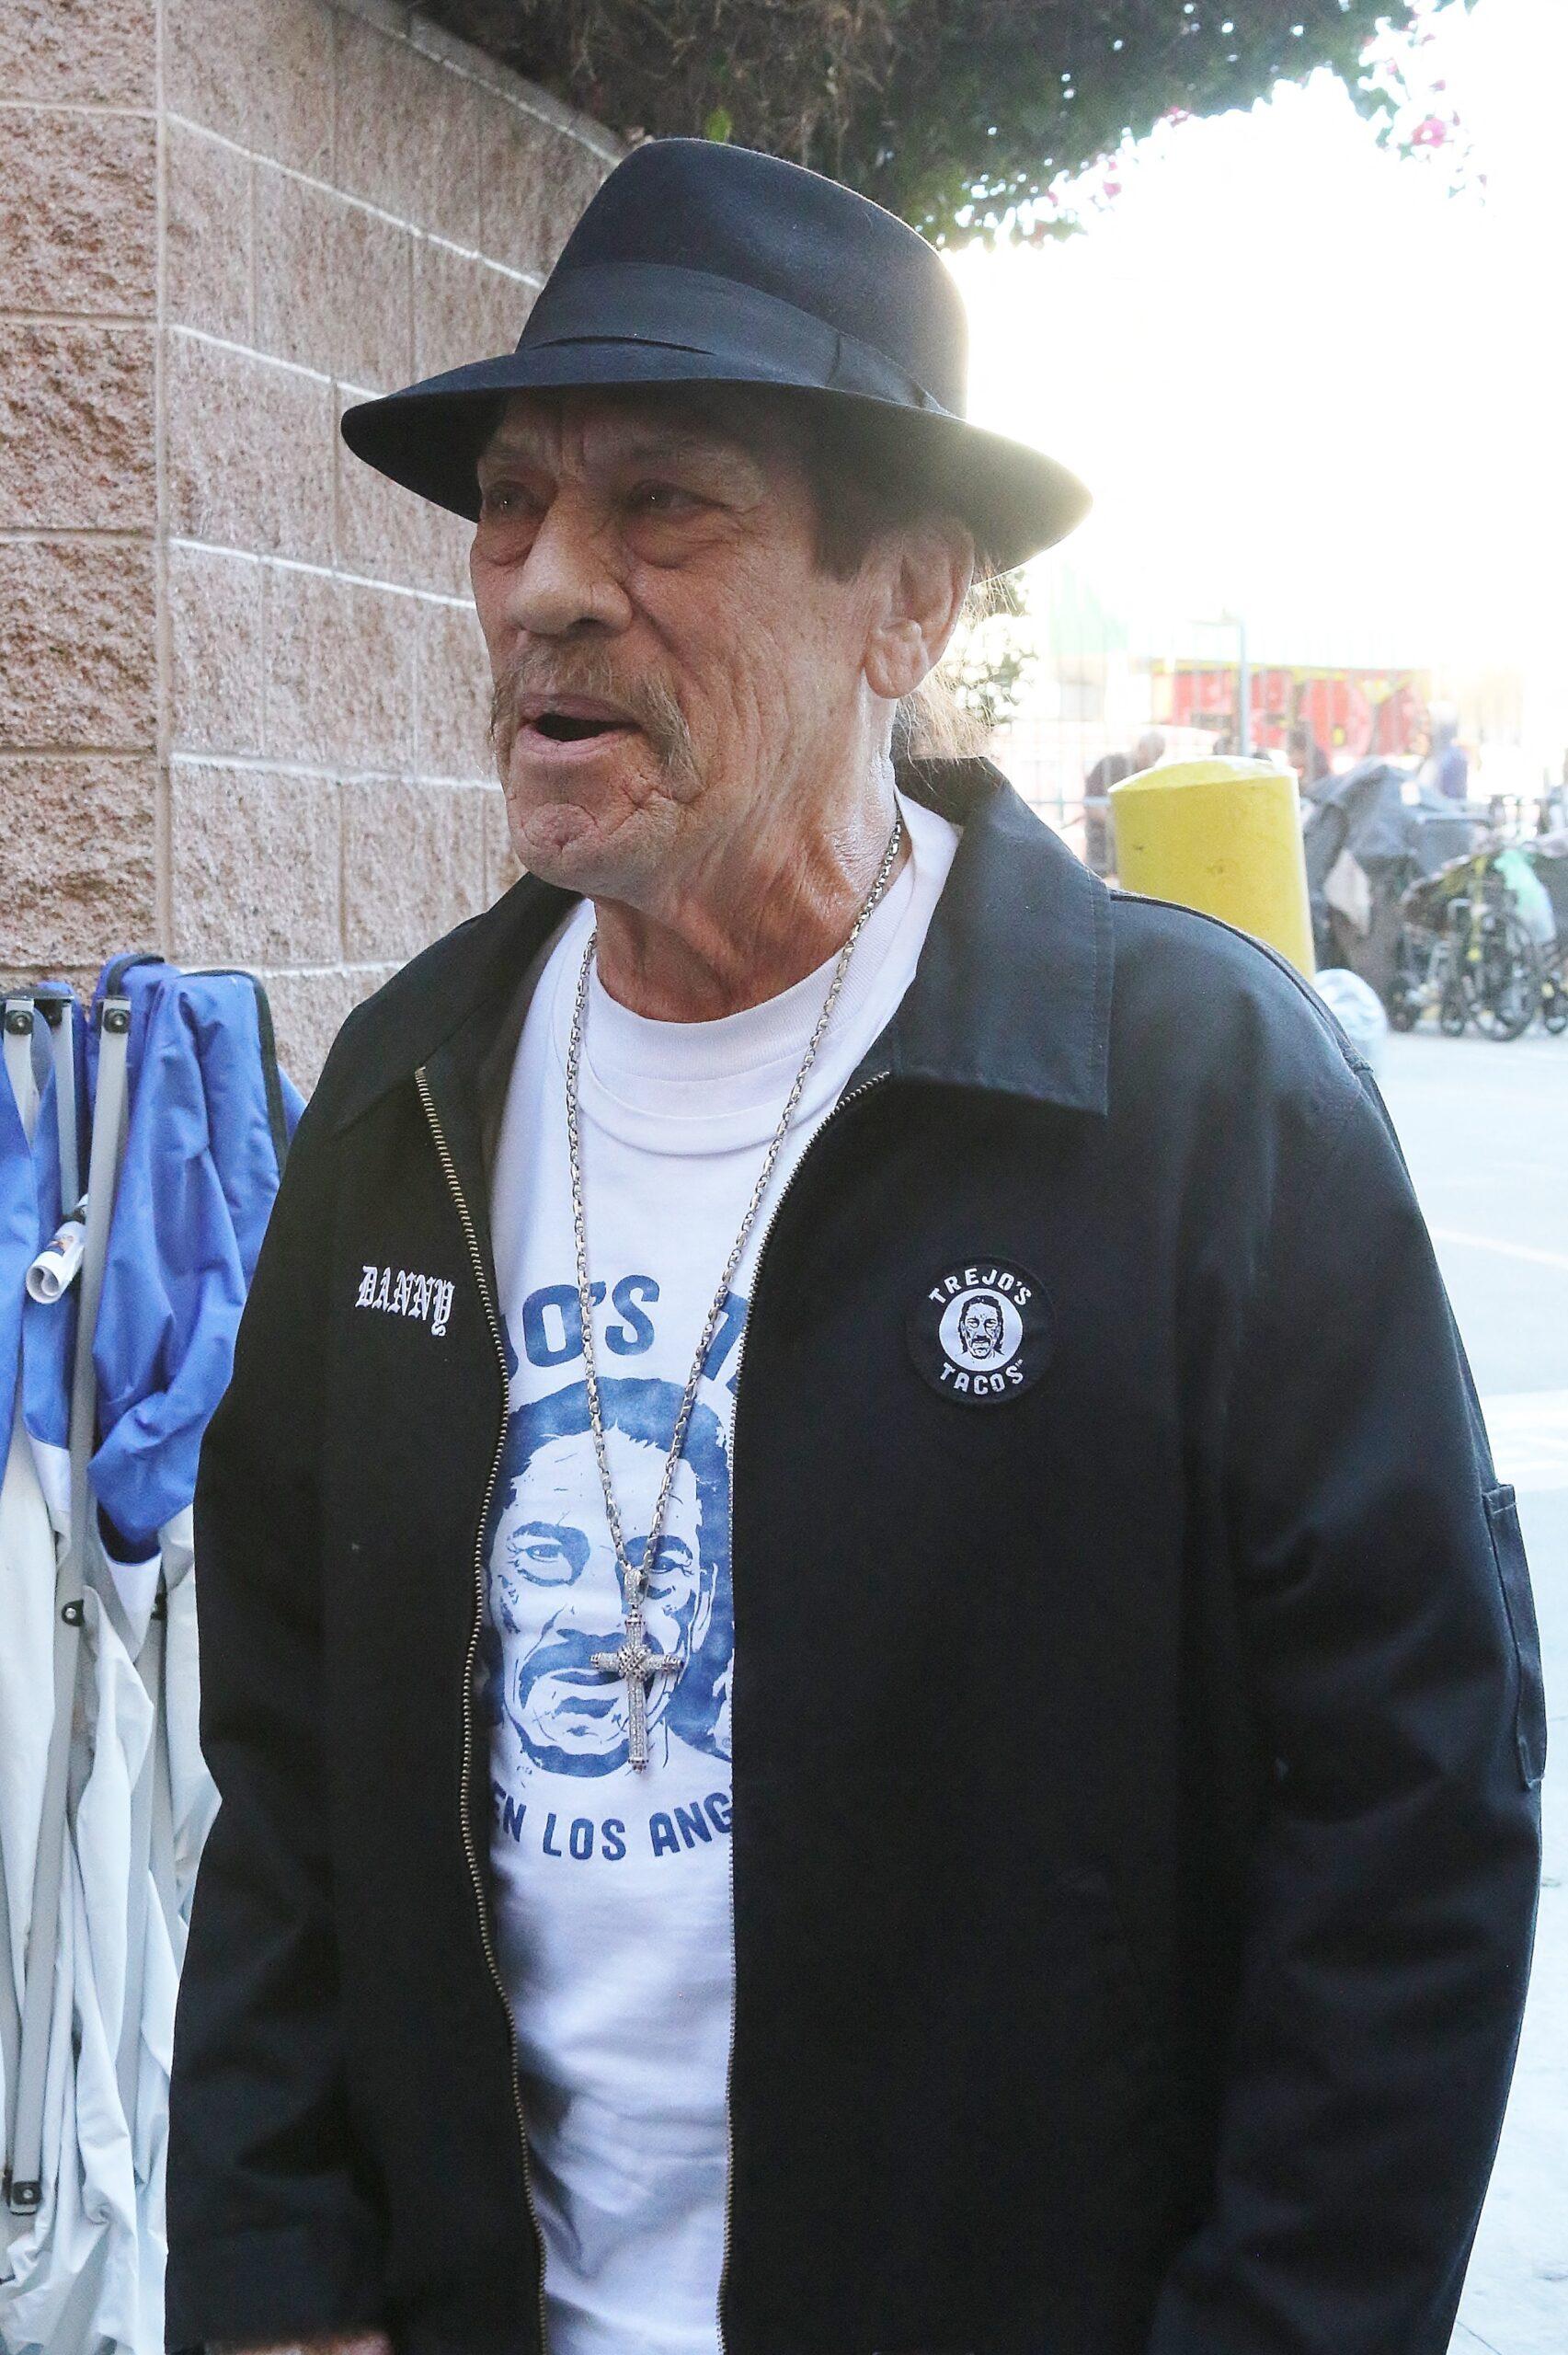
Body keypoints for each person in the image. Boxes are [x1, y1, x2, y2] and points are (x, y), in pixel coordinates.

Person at [166, 138, 1544, 2355]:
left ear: (905, 599)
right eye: (512, 504)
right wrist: (269, 2260)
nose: (544, 586)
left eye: (664, 508)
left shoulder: (1198, 1103)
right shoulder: (406, 1088)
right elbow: (285, 1763)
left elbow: (1413, 1821)